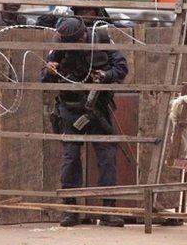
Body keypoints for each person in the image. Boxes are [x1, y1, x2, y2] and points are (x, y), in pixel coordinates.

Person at [41, 17, 128, 228]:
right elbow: (44, 77)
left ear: (83, 34)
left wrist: (106, 75)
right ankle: (70, 209)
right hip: (70, 110)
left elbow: (122, 69)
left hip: (98, 109)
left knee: (107, 158)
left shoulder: (101, 38)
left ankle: (108, 210)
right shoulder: (60, 46)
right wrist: (49, 71)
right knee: (70, 159)